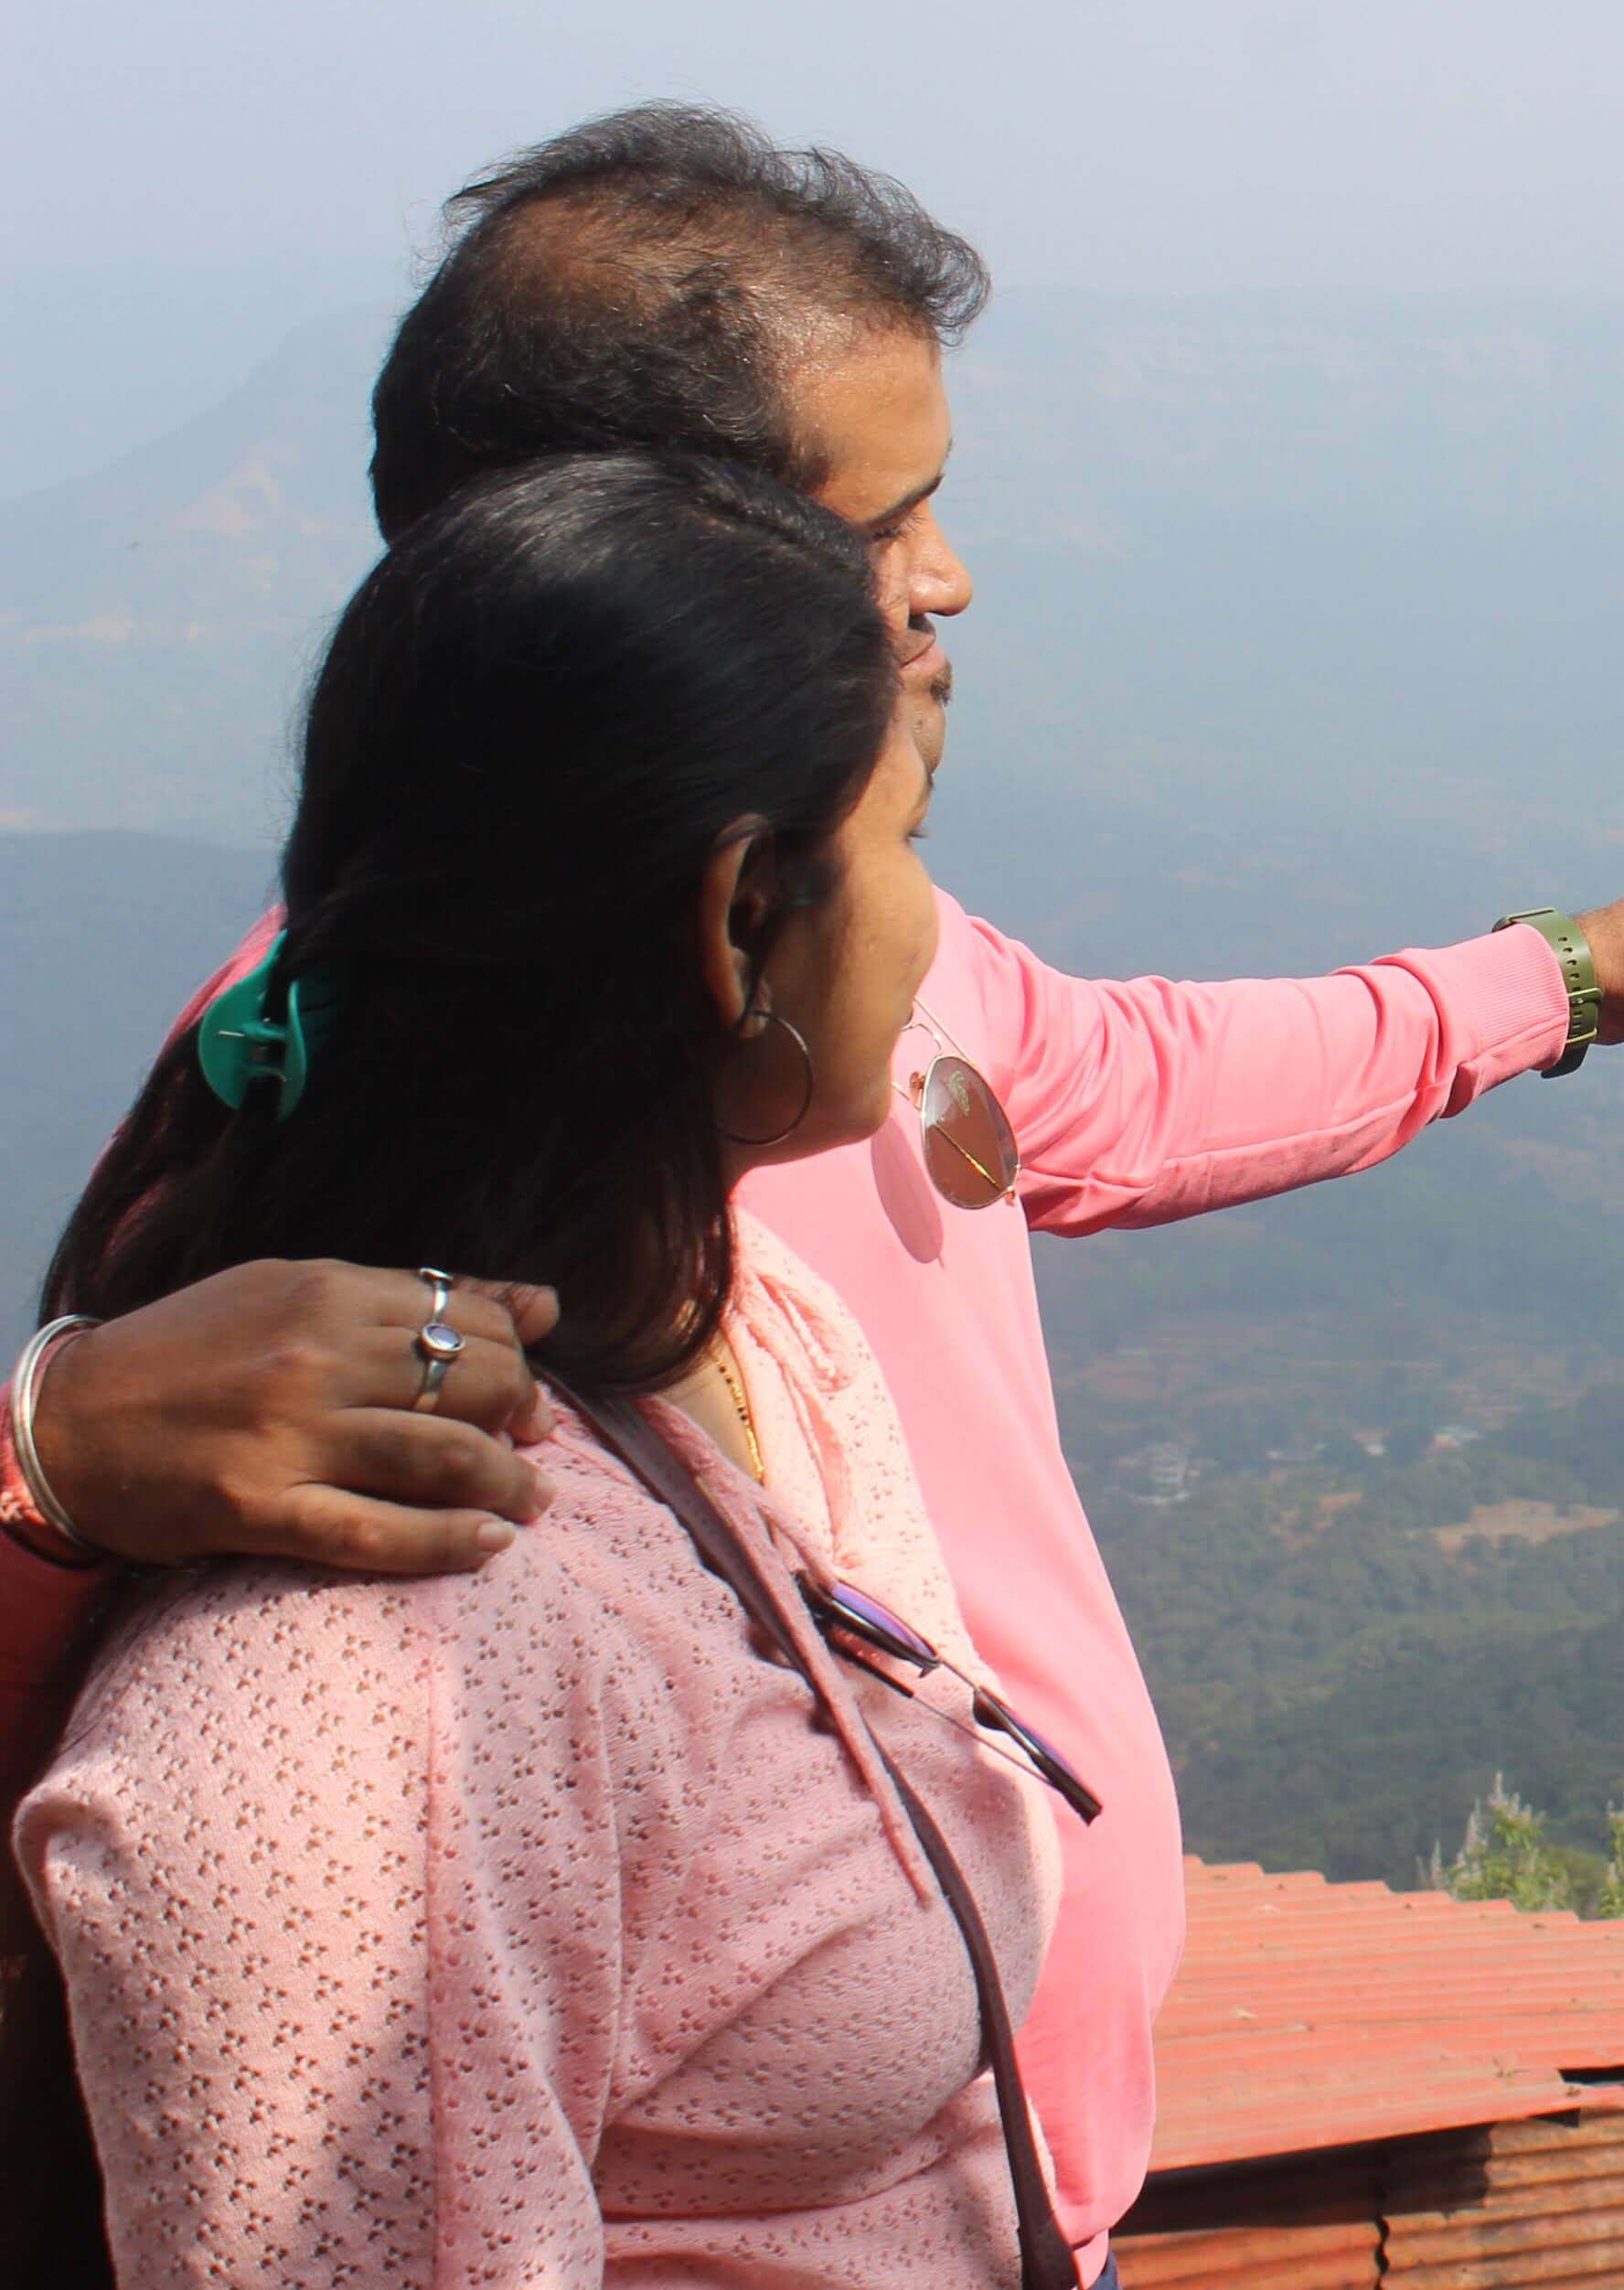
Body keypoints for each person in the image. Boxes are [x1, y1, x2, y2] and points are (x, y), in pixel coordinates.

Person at [0, 109, 1624, 2267]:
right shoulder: (335, 1174)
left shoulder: (749, 1205)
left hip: (986, 2168)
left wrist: (1569, 976)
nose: (948, 581)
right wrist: (42, 1476)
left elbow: (1114, 1077)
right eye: (888, 519)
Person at [23, 452, 1063, 2278]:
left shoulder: (756, 1336)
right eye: (904, 843)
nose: (933, 921)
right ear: (741, 920)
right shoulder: (367, 1692)